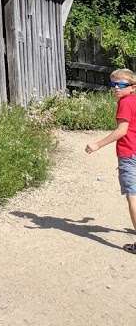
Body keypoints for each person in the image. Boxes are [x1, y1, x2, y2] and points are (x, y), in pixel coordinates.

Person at [86, 68, 136, 253]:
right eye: (113, 84)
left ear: (132, 87)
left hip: (129, 154)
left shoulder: (125, 103)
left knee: (133, 197)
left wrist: (97, 144)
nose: (116, 88)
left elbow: (122, 131)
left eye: (121, 85)